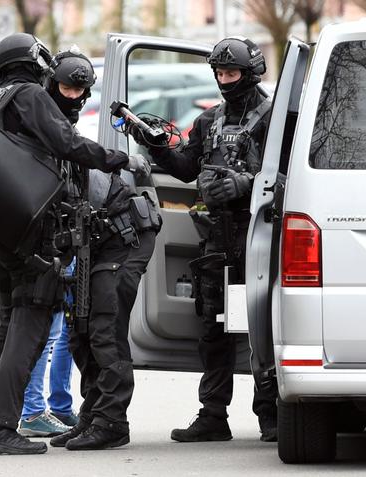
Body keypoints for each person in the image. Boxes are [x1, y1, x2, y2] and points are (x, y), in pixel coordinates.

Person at [0, 33, 148, 455]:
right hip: (29, 235)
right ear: (34, 62)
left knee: (8, 322)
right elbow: (66, 143)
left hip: (1, 233)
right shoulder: (28, 95)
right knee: (29, 322)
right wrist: (120, 158)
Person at [129, 36, 278, 443]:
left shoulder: (278, 119)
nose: (224, 80)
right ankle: (213, 414)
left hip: (262, 236)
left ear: (250, 74)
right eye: (219, 73)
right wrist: (154, 143)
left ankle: (273, 414)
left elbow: (293, 177)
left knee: (265, 323)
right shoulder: (209, 121)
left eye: (231, 73)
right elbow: (184, 167)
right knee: (214, 327)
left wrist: (246, 186)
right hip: (216, 237)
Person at [43, 47, 160, 451]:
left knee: (105, 330)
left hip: (123, 236)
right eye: (66, 87)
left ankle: (112, 422)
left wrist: (123, 159)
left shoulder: (65, 135)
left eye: (80, 89)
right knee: (80, 333)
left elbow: (87, 162)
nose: (73, 96)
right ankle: (92, 414)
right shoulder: (45, 128)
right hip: (93, 242)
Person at [18, 261, 78, 437]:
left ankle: (59, 408)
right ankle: (33, 412)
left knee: (64, 329)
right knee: (48, 334)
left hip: (62, 253)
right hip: (56, 254)